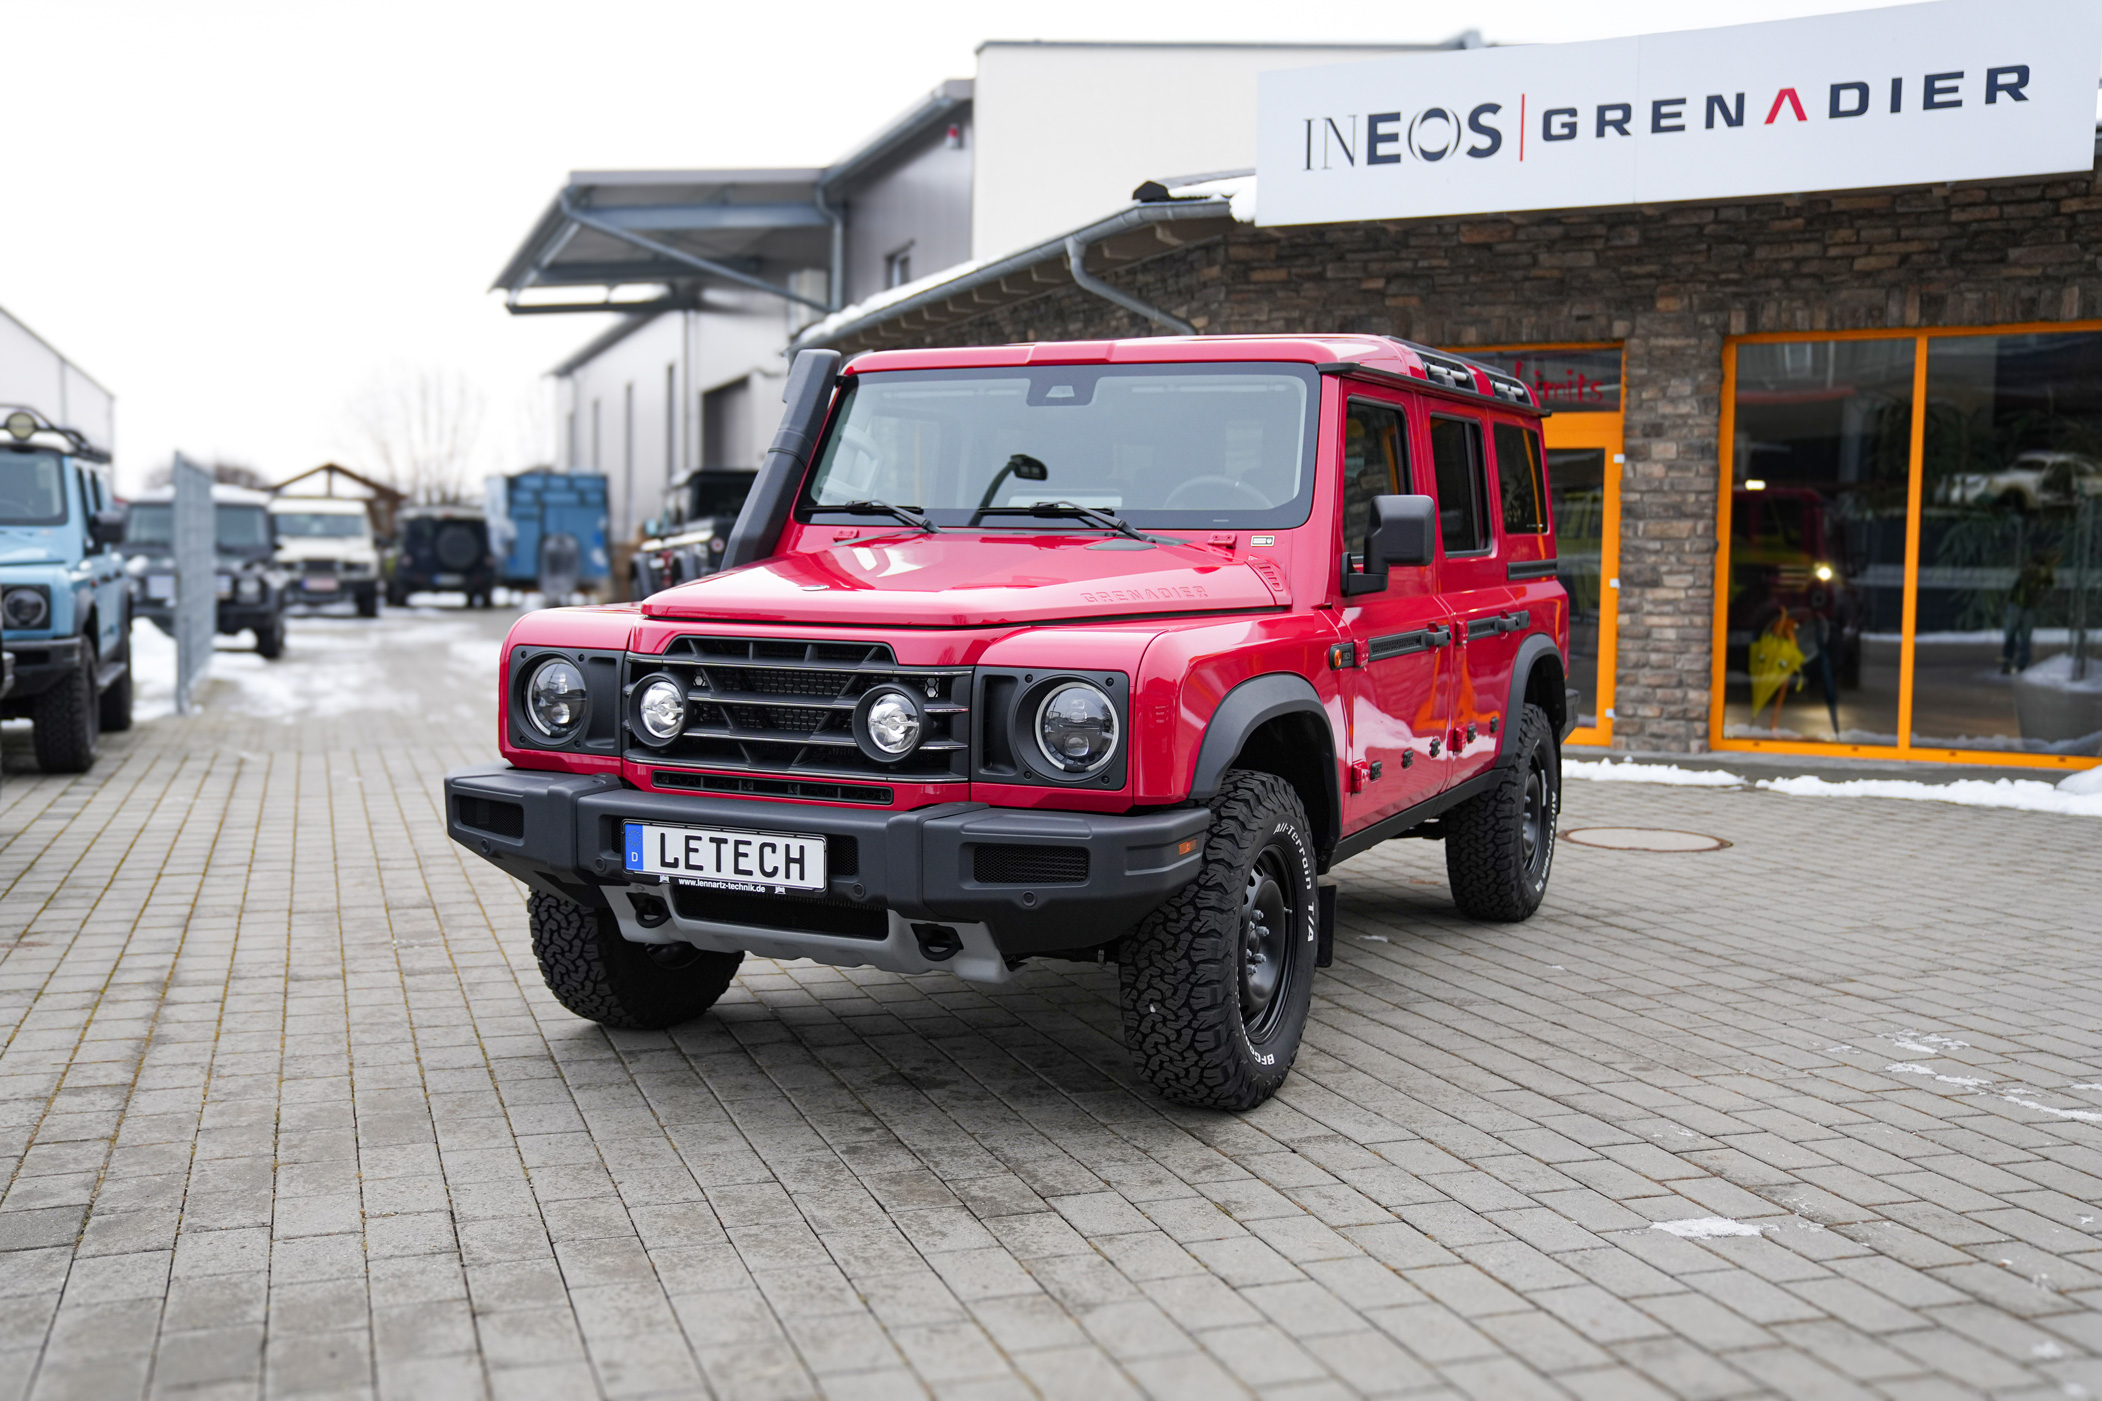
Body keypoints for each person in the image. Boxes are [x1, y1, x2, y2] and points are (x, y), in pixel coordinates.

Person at [2002, 549, 2056, 674]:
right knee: (2014, 635)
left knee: (2022, 636)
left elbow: (2049, 583)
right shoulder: (2030, 570)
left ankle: (2020, 662)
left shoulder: (2038, 571)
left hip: (2026, 607)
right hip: (2018, 605)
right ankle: (2010, 661)